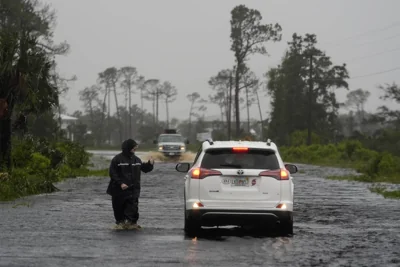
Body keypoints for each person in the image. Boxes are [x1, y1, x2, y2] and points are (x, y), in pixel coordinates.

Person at [106, 139, 154, 228]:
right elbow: (113, 173)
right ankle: (121, 225)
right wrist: (121, 183)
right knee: (119, 210)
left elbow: (145, 169)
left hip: (133, 190)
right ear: (128, 147)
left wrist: (150, 164)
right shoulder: (117, 159)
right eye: (134, 147)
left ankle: (132, 225)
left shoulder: (136, 159)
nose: (135, 149)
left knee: (133, 209)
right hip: (118, 190)